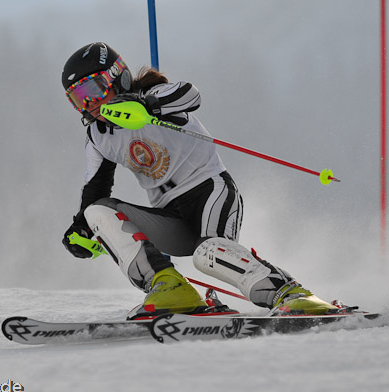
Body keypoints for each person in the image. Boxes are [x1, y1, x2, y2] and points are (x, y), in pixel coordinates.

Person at [60, 42, 337, 318]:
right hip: (168, 215)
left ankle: (290, 294)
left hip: (209, 191)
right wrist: (81, 228)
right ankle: (169, 288)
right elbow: (95, 189)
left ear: (116, 76)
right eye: (77, 99)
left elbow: (190, 95)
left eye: (91, 90)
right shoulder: (98, 135)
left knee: (209, 253)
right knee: (96, 211)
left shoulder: (150, 93)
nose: (89, 104)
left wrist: (147, 106)